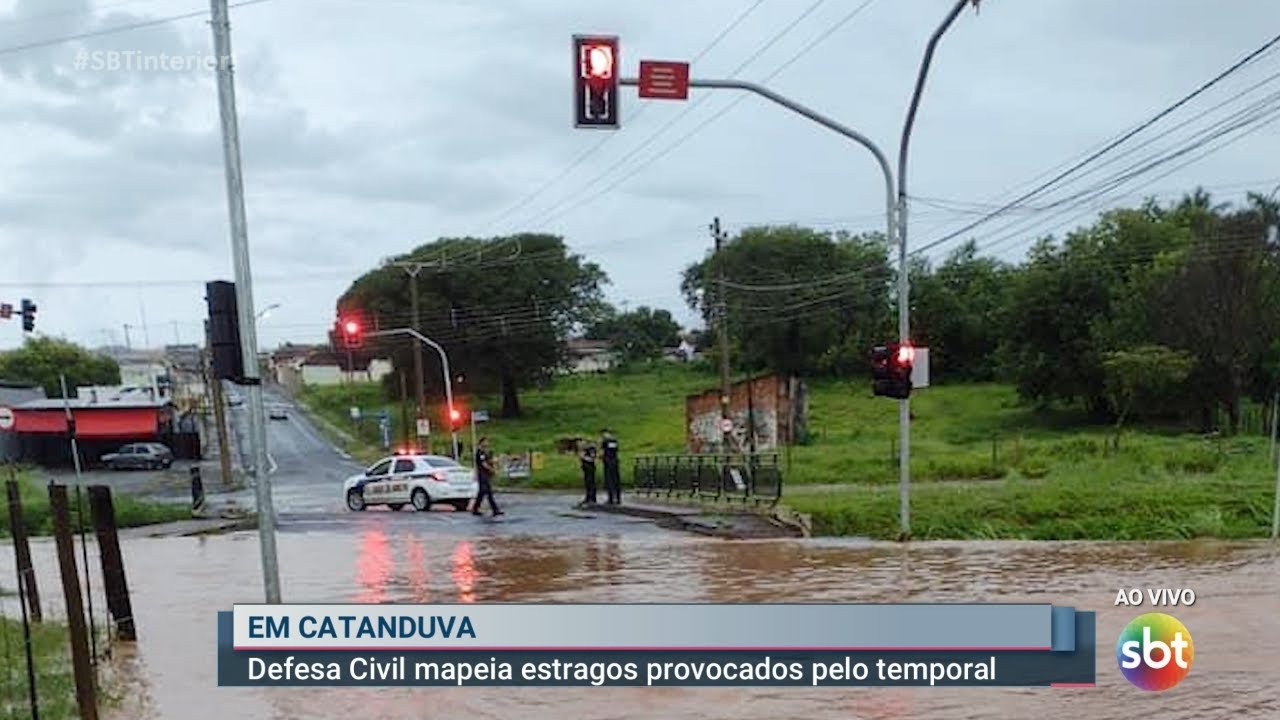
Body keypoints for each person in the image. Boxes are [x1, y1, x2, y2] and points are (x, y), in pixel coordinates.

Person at [471, 436, 503, 517]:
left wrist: (495, 460)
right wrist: (492, 469)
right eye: (485, 442)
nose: (487, 443)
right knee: (486, 492)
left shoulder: (485, 452)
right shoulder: (480, 452)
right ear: (481, 443)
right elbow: (483, 464)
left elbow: (488, 461)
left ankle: (476, 508)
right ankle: (495, 509)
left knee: (483, 493)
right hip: (482, 474)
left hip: (486, 474)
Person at [601, 429, 621, 505]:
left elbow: (604, 451)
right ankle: (618, 498)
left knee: (610, 480)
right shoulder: (614, 441)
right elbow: (616, 450)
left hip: (608, 462)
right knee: (616, 480)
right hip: (615, 461)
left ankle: (611, 498)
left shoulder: (605, 442)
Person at [579, 437, 598, 505]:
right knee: (587, 483)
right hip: (585, 467)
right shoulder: (583, 450)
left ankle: (592, 498)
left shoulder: (590, 449)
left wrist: (583, 457)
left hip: (590, 467)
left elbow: (592, 458)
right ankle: (588, 497)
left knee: (591, 482)